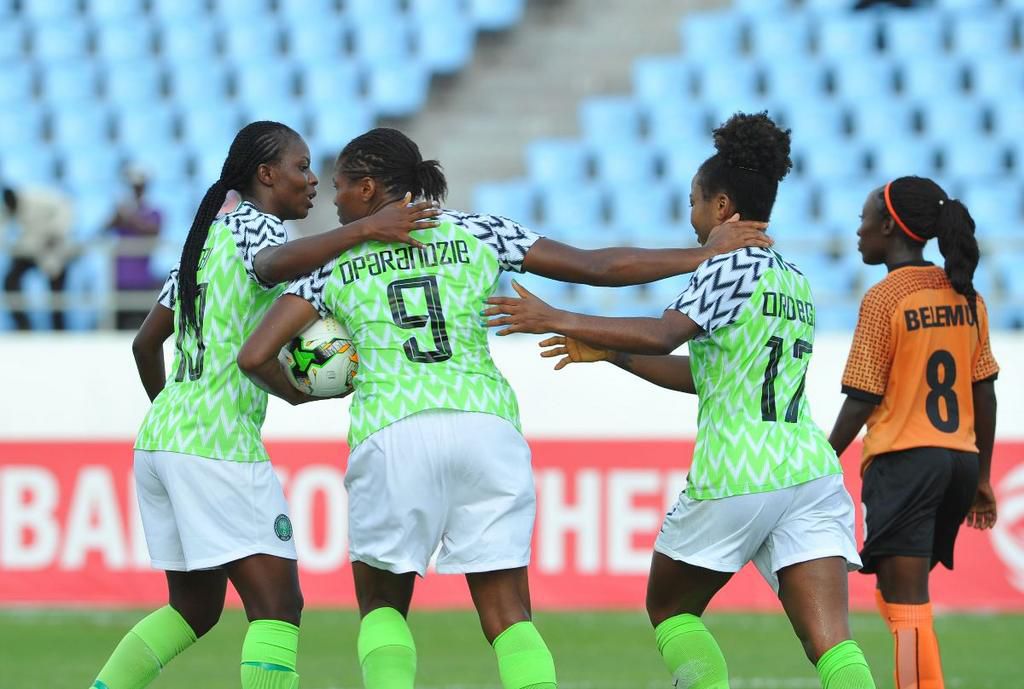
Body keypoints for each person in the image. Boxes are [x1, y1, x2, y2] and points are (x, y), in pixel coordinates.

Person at [236, 127, 772, 689]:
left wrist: (301, 394)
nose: (335, 199)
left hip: (392, 429)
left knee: (383, 608)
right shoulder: (480, 231)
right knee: (509, 615)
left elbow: (255, 354)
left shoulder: (332, 260)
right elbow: (597, 267)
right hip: (487, 429)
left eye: (341, 187)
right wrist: (701, 256)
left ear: (368, 188)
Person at [484, 113, 876, 689]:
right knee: (831, 640)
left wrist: (555, 316)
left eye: (694, 203)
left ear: (721, 206)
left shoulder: (727, 265)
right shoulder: (793, 278)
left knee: (670, 607)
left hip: (739, 467)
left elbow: (665, 333)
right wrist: (612, 353)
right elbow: (710, 375)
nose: (691, 218)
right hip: (810, 471)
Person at [87, 120, 441, 689]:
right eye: (301, 167)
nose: (313, 180)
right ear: (266, 174)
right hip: (217, 443)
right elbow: (272, 266)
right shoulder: (256, 224)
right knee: (278, 605)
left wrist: (178, 417)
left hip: (162, 438)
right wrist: (365, 228)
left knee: (194, 608)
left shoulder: (204, 243)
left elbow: (145, 343)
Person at [827, 176, 998, 689]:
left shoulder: (885, 298)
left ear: (888, 226)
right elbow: (985, 393)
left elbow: (863, 397)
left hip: (906, 462)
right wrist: (982, 477)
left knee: (907, 609)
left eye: (863, 219)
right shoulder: (967, 295)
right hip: (959, 463)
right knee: (897, 595)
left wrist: (821, 457)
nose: (858, 231)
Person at [1, 184, 74, 330]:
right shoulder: (8, 208)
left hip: (52, 249)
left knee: (57, 289)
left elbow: (65, 207)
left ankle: (59, 329)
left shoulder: (37, 198)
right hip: (30, 249)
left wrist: (56, 231)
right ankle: (23, 325)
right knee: (10, 280)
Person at [106, 166, 164, 329]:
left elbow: (153, 231)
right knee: (119, 326)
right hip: (121, 278)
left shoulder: (153, 211)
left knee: (142, 327)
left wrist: (129, 216)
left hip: (142, 279)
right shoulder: (123, 210)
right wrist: (118, 216)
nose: (136, 190)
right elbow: (104, 229)